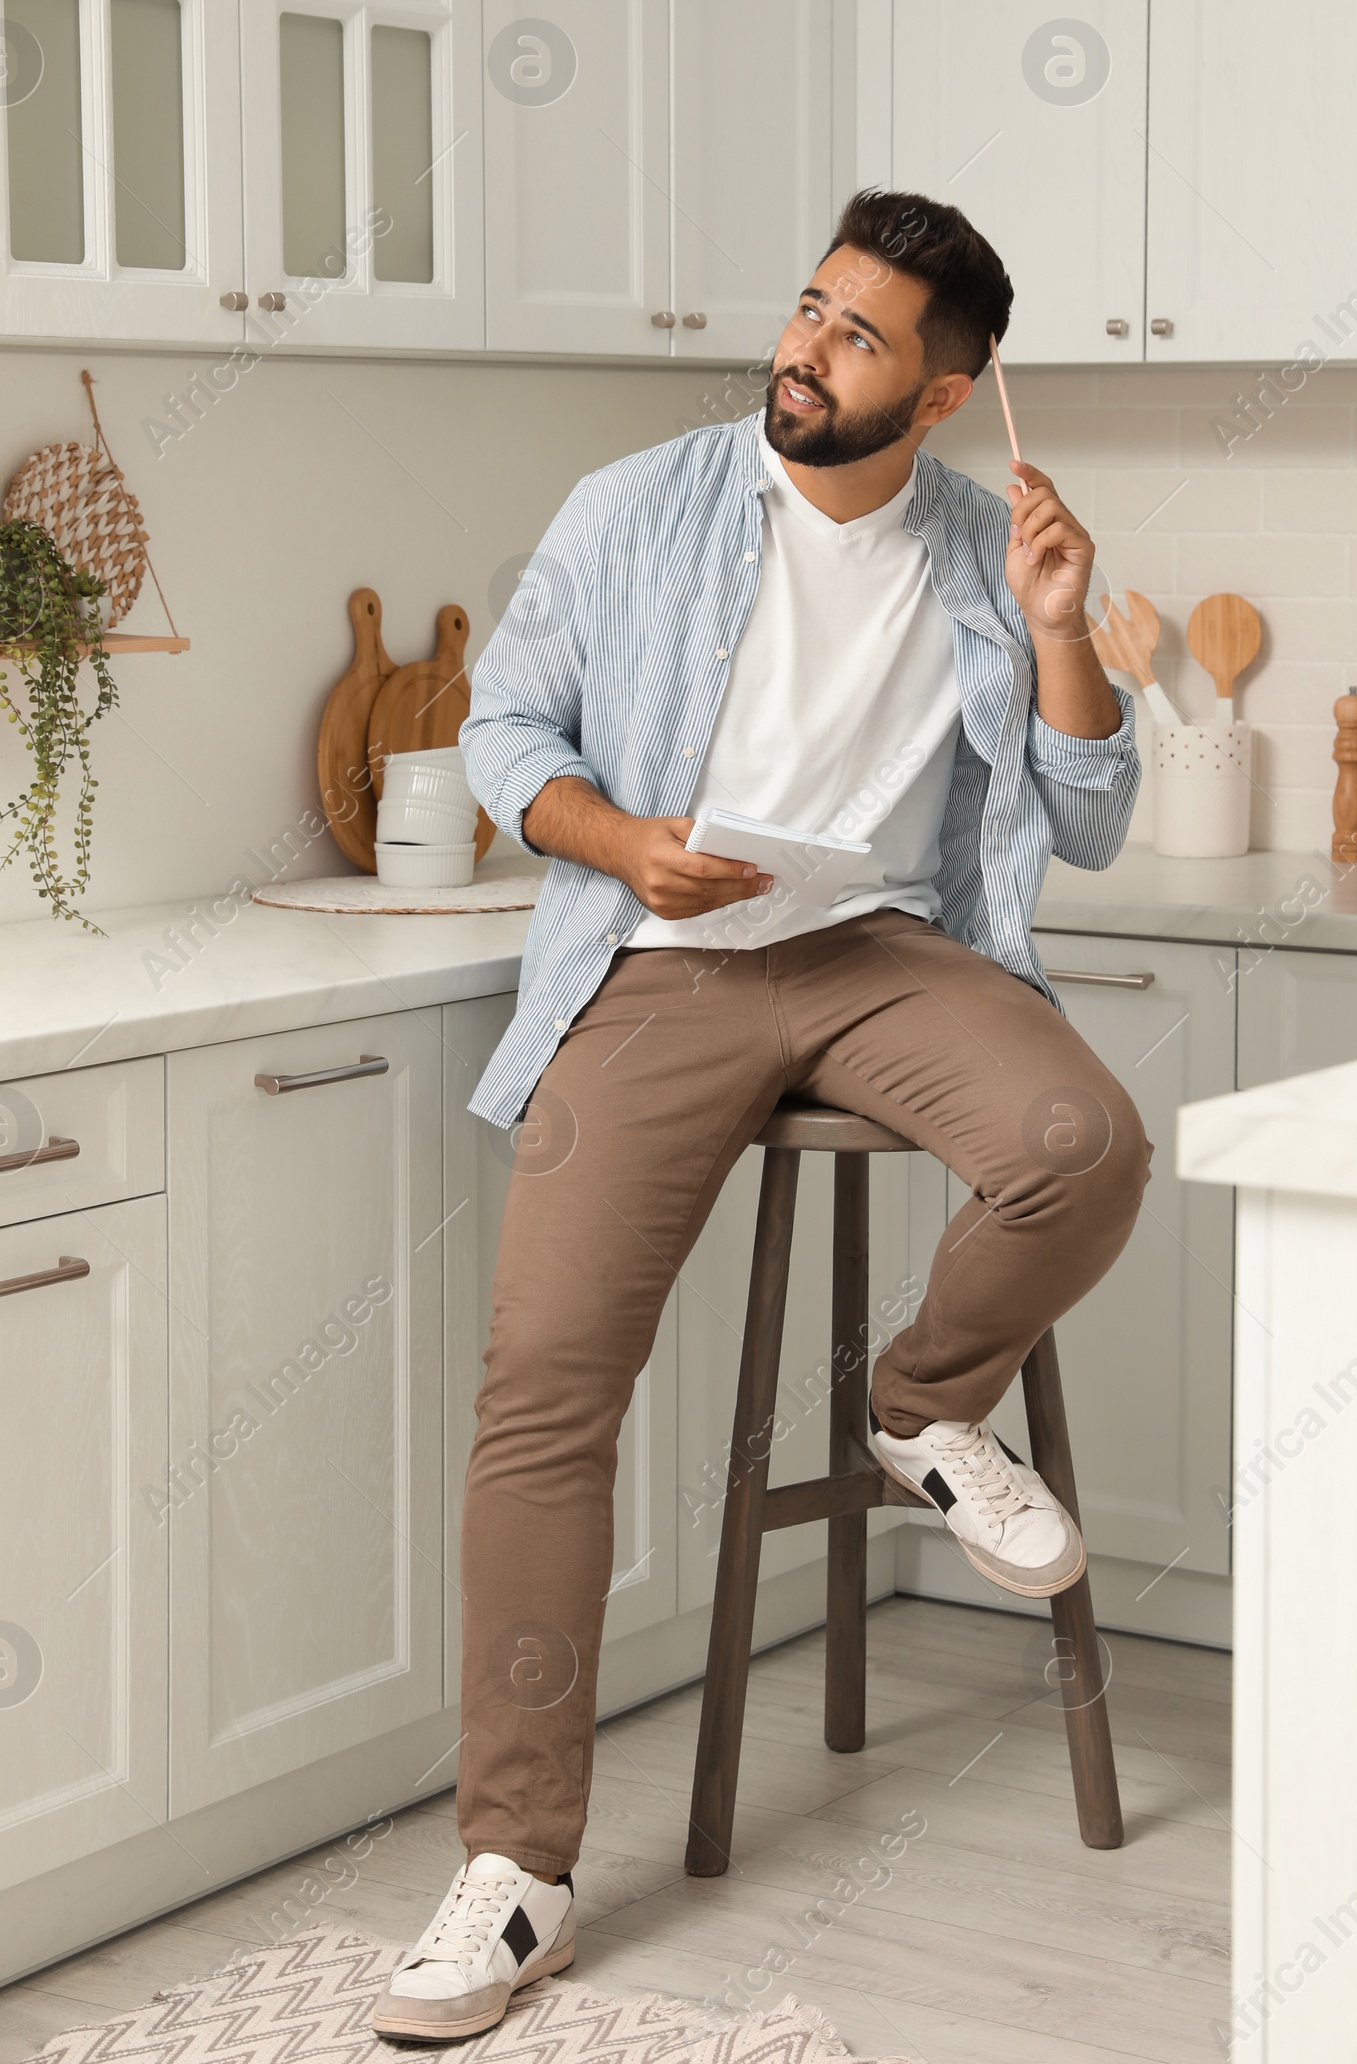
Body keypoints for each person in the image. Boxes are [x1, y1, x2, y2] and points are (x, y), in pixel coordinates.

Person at [371, 190, 1152, 2041]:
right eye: (810, 309)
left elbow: (1093, 812)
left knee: (1084, 1144)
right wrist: (624, 839)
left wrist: (1061, 631)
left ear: (945, 393)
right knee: (545, 1392)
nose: (805, 350)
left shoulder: (986, 547)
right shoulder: (639, 502)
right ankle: (519, 1874)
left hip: (882, 951)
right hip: (659, 962)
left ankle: (920, 1404)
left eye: (860, 336)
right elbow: (504, 736)